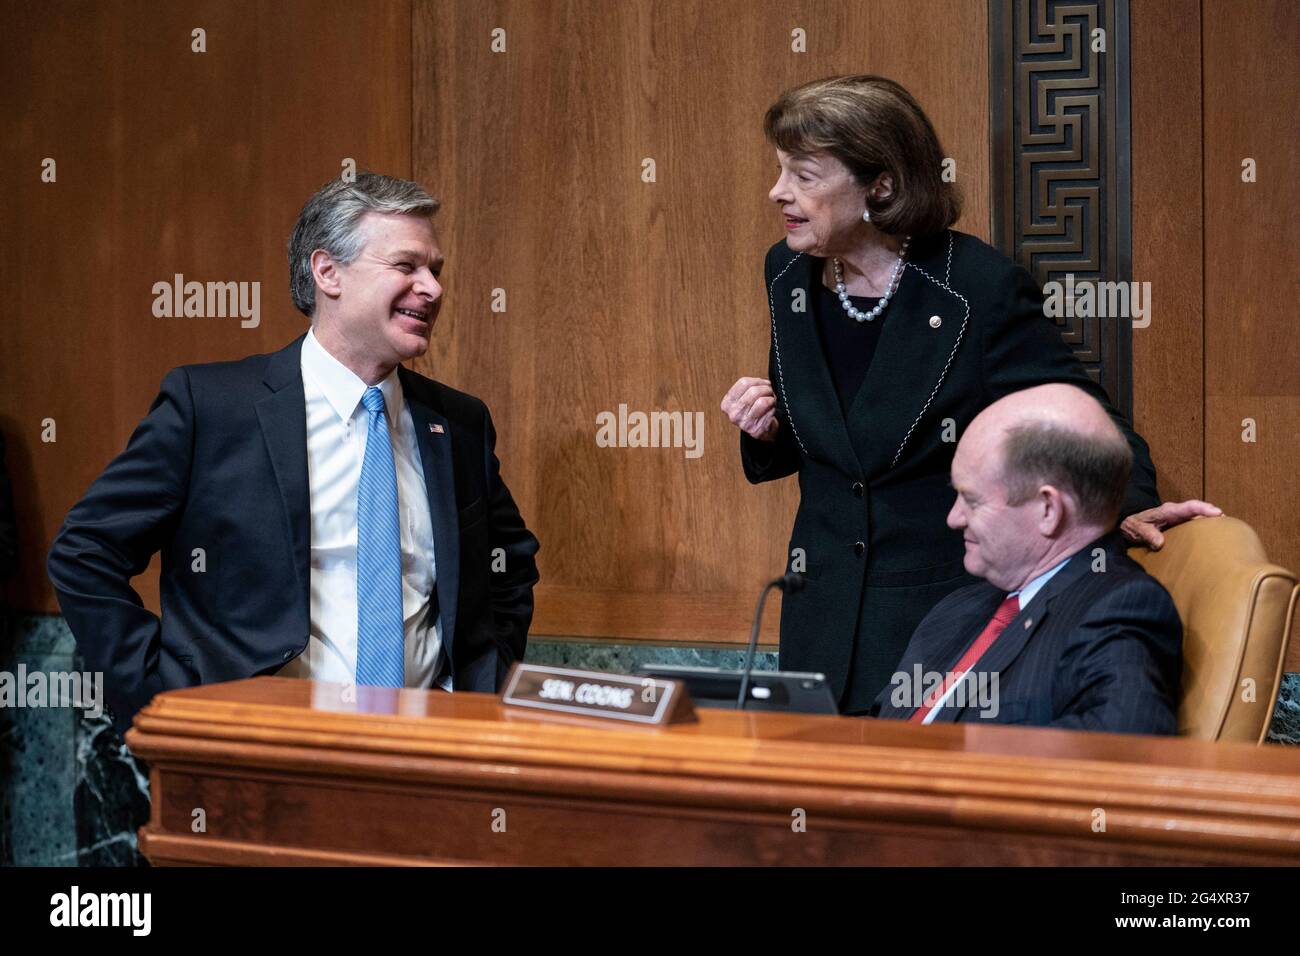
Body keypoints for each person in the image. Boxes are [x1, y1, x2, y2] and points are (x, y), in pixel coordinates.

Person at [721, 75, 1218, 715]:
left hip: (934, 624)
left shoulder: (975, 288)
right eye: (781, 171)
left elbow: (1084, 417)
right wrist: (767, 428)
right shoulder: (787, 270)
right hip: (817, 614)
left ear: (881, 184)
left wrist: (1117, 512)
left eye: (805, 176)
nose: (778, 192)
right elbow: (837, 436)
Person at [48, 173, 540, 732]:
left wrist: (481, 684)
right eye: (406, 267)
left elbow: (510, 564)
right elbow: (84, 552)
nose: (432, 288)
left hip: (426, 755)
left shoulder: (458, 422)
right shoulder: (211, 407)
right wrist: (161, 698)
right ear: (327, 271)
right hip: (253, 755)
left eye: (436, 270)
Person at [871, 384, 1183, 733]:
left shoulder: (1118, 608)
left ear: (1048, 509)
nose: (954, 518)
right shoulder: (957, 609)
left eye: (972, 500)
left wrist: (949, 763)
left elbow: (1124, 745)